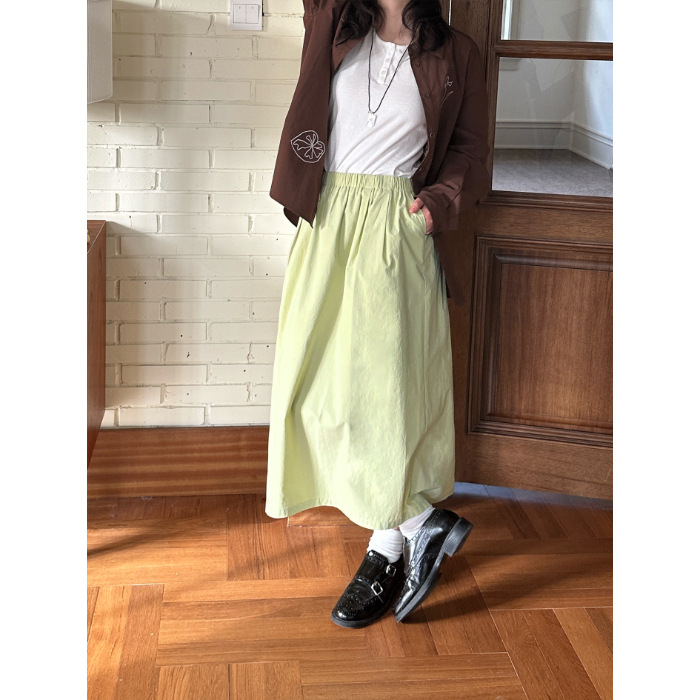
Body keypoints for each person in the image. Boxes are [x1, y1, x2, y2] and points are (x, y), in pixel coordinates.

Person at [265, 0, 490, 628]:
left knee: (383, 395)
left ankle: (387, 547)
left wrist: (434, 205)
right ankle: (421, 524)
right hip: (328, 220)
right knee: (312, 389)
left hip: (396, 226)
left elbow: (471, 151)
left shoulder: (457, 53)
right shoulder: (334, 21)